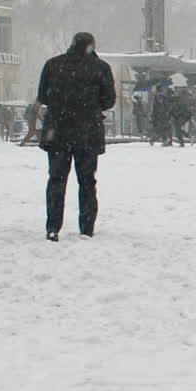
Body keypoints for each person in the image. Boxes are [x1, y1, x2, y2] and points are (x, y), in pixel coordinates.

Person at [37, 32, 116, 241]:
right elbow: (109, 101)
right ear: (91, 46)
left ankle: (53, 227)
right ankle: (86, 229)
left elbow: (43, 96)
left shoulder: (53, 65)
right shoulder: (100, 68)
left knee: (56, 180)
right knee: (87, 181)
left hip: (57, 132)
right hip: (87, 133)